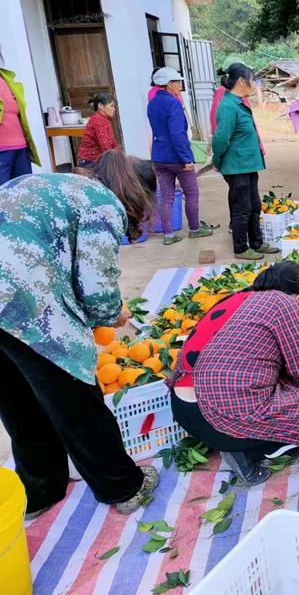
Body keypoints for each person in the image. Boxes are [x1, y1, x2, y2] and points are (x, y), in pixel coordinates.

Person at [0, 151, 159, 519]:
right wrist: (113, 313)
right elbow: (98, 289)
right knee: (74, 398)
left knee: (18, 399)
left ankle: (41, 491)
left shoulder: (47, 182)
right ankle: (124, 486)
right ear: (136, 194)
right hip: (19, 300)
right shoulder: (102, 202)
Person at [167, 262, 299, 485]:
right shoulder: (285, 303)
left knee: (278, 385)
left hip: (183, 410)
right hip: (218, 416)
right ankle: (246, 453)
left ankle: (233, 442)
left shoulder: (238, 298)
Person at [212, 63, 280, 261]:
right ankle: (241, 248)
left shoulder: (238, 103)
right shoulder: (227, 106)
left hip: (248, 165)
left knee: (254, 206)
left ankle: (256, 243)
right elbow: (221, 138)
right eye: (252, 80)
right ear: (241, 81)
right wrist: (218, 160)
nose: (253, 84)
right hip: (236, 166)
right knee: (242, 208)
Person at [147, 67, 214, 246]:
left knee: (167, 196)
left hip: (159, 156)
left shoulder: (152, 102)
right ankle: (194, 229)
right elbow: (176, 134)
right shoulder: (173, 103)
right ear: (168, 84)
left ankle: (168, 235)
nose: (180, 85)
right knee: (191, 192)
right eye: (177, 82)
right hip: (177, 156)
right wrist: (186, 158)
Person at [0, 48, 40, 185]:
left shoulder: (6, 79)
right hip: (1, 150)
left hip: (20, 147)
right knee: (3, 195)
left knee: (25, 191)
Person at [77, 92, 118, 166]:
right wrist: (114, 160)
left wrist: (119, 156)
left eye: (114, 107)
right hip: (90, 161)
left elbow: (113, 142)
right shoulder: (98, 120)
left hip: (99, 159)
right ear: (100, 106)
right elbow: (104, 144)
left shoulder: (105, 120)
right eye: (111, 106)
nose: (114, 109)